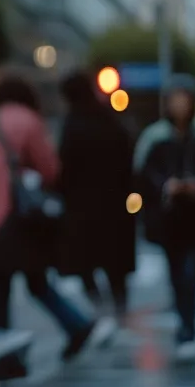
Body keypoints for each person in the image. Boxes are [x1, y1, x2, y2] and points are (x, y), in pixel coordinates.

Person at [0, 74, 103, 379]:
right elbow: (50, 169)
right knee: (37, 281)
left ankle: (3, 359)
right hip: (17, 222)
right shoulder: (28, 122)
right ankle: (76, 324)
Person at [137, 76, 195, 358]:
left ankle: (189, 324)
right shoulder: (156, 139)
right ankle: (185, 323)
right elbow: (144, 175)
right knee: (176, 273)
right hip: (170, 219)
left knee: (191, 273)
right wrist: (167, 186)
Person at [55, 71, 137, 317]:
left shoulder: (72, 125)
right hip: (114, 202)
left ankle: (99, 306)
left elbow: (63, 167)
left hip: (81, 205)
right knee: (115, 261)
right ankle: (120, 306)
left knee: (84, 261)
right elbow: (127, 159)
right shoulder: (110, 120)